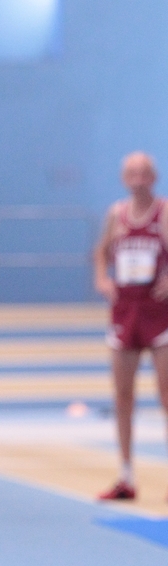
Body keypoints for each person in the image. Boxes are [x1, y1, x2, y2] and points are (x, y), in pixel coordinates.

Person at [94, 152, 168, 500]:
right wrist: (101, 279)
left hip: (159, 312)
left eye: (143, 172)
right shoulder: (116, 214)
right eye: (131, 173)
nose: (138, 179)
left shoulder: (163, 212)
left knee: (166, 394)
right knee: (123, 395)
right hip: (125, 312)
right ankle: (126, 474)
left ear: (153, 177)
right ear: (124, 178)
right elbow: (100, 252)